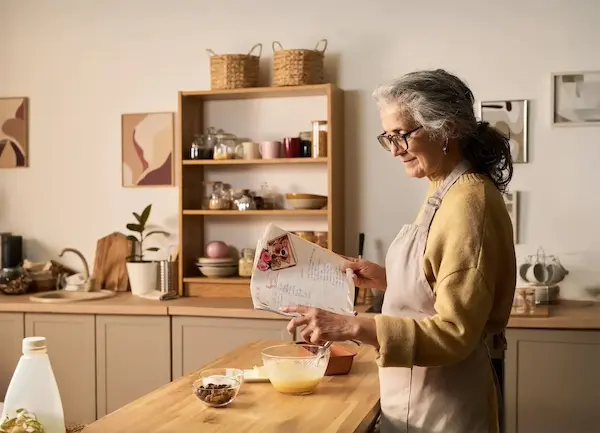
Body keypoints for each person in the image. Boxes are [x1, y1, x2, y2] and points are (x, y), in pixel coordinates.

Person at [282, 69, 517, 433]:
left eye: (403, 135)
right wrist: (388, 280)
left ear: (447, 130)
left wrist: (349, 326)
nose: (393, 150)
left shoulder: (471, 204)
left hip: (442, 411)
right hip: (416, 400)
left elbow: (455, 331)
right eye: (387, 137)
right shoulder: (444, 188)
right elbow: (440, 288)